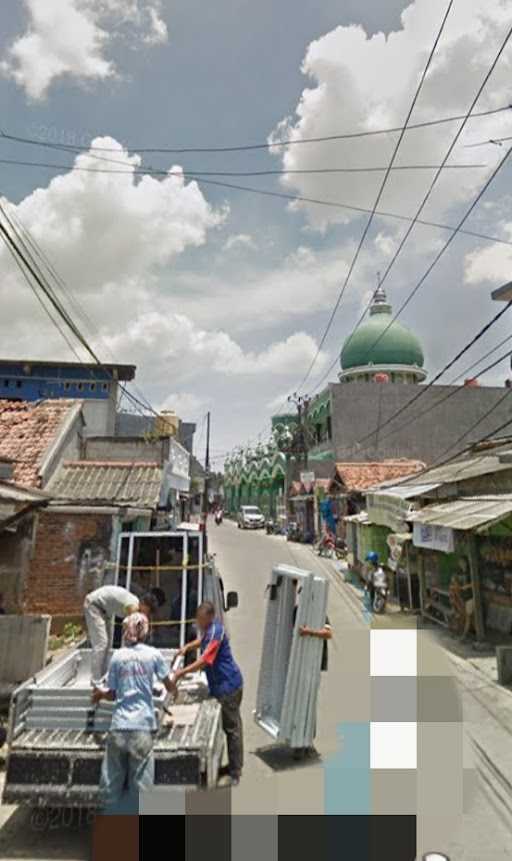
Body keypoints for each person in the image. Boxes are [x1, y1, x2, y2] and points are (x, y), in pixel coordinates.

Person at [92, 612, 176, 814]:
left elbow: (112, 693)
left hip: (119, 728)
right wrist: (175, 690)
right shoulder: (153, 655)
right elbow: (168, 683)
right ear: (146, 633)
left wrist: (100, 696)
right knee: (141, 788)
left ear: (125, 633)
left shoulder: (118, 657)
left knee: (111, 786)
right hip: (142, 729)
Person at [173, 602, 243, 786]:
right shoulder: (211, 630)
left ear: (210, 617)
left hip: (228, 686)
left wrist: (181, 673)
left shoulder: (215, 632)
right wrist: (188, 647)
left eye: (201, 619)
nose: (198, 623)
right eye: (198, 619)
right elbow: (202, 642)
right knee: (229, 727)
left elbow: (205, 660)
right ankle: (233, 765)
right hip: (222, 685)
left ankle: (235, 771)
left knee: (232, 729)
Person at [83, 585, 165, 687]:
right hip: (93, 605)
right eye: (149, 610)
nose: (148, 614)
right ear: (144, 604)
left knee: (107, 644)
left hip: (104, 611)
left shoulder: (135, 603)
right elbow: (130, 631)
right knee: (101, 644)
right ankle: (95, 681)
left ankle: (103, 677)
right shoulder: (133, 606)